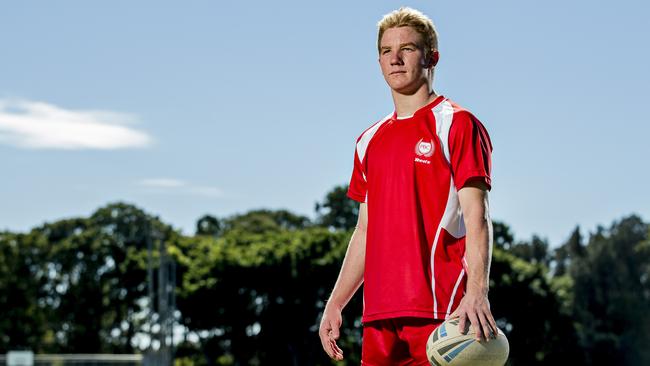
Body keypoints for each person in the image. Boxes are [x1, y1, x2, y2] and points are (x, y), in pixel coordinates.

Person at [318, 7, 499, 365]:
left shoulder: (458, 124)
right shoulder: (368, 141)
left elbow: (478, 217)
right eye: (386, 51)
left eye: (408, 48)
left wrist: (477, 291)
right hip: (379, 316)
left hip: (440, 310)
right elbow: (364, 230)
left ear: (432, 57)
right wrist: (336, 303)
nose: (395, 59)